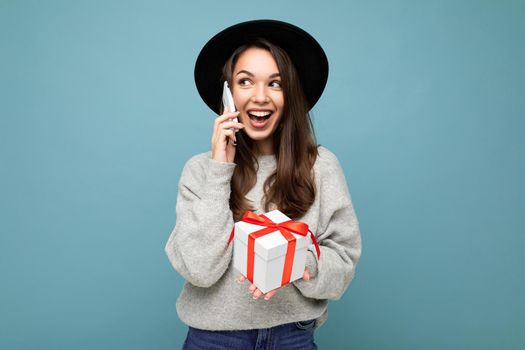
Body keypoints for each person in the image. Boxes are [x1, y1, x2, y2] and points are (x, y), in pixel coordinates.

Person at [165, 19, 362, 349]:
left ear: (291, 95)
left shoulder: (321, 166)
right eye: (245, 82)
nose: (260, 97)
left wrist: (295, 262)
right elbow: (199, 269)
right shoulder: (200, 171)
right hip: (213, 339)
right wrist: (220, 170)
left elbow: (341, 268)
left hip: (292, 336)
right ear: (227, 95)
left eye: (276, 83)